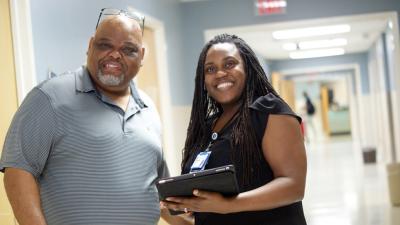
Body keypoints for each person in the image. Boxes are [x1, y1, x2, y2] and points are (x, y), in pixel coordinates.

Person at [0, 8, 169, 225]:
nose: (115, 55)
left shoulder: (149, 109)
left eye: (128, 49)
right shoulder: (49, 98)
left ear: (142, 56)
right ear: (90, 46)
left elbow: (157, 187)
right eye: (105, 45)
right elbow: (18, 171)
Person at [161, 34, 307, 225]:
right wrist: (167, 210)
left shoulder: (269, 111)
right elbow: (207, 214)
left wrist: (228, 205)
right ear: (203, 80)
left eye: (229, 64)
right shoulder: (206, 128)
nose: (220, 73)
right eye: (210, 69)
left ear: (248, 69)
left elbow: (293, 186)